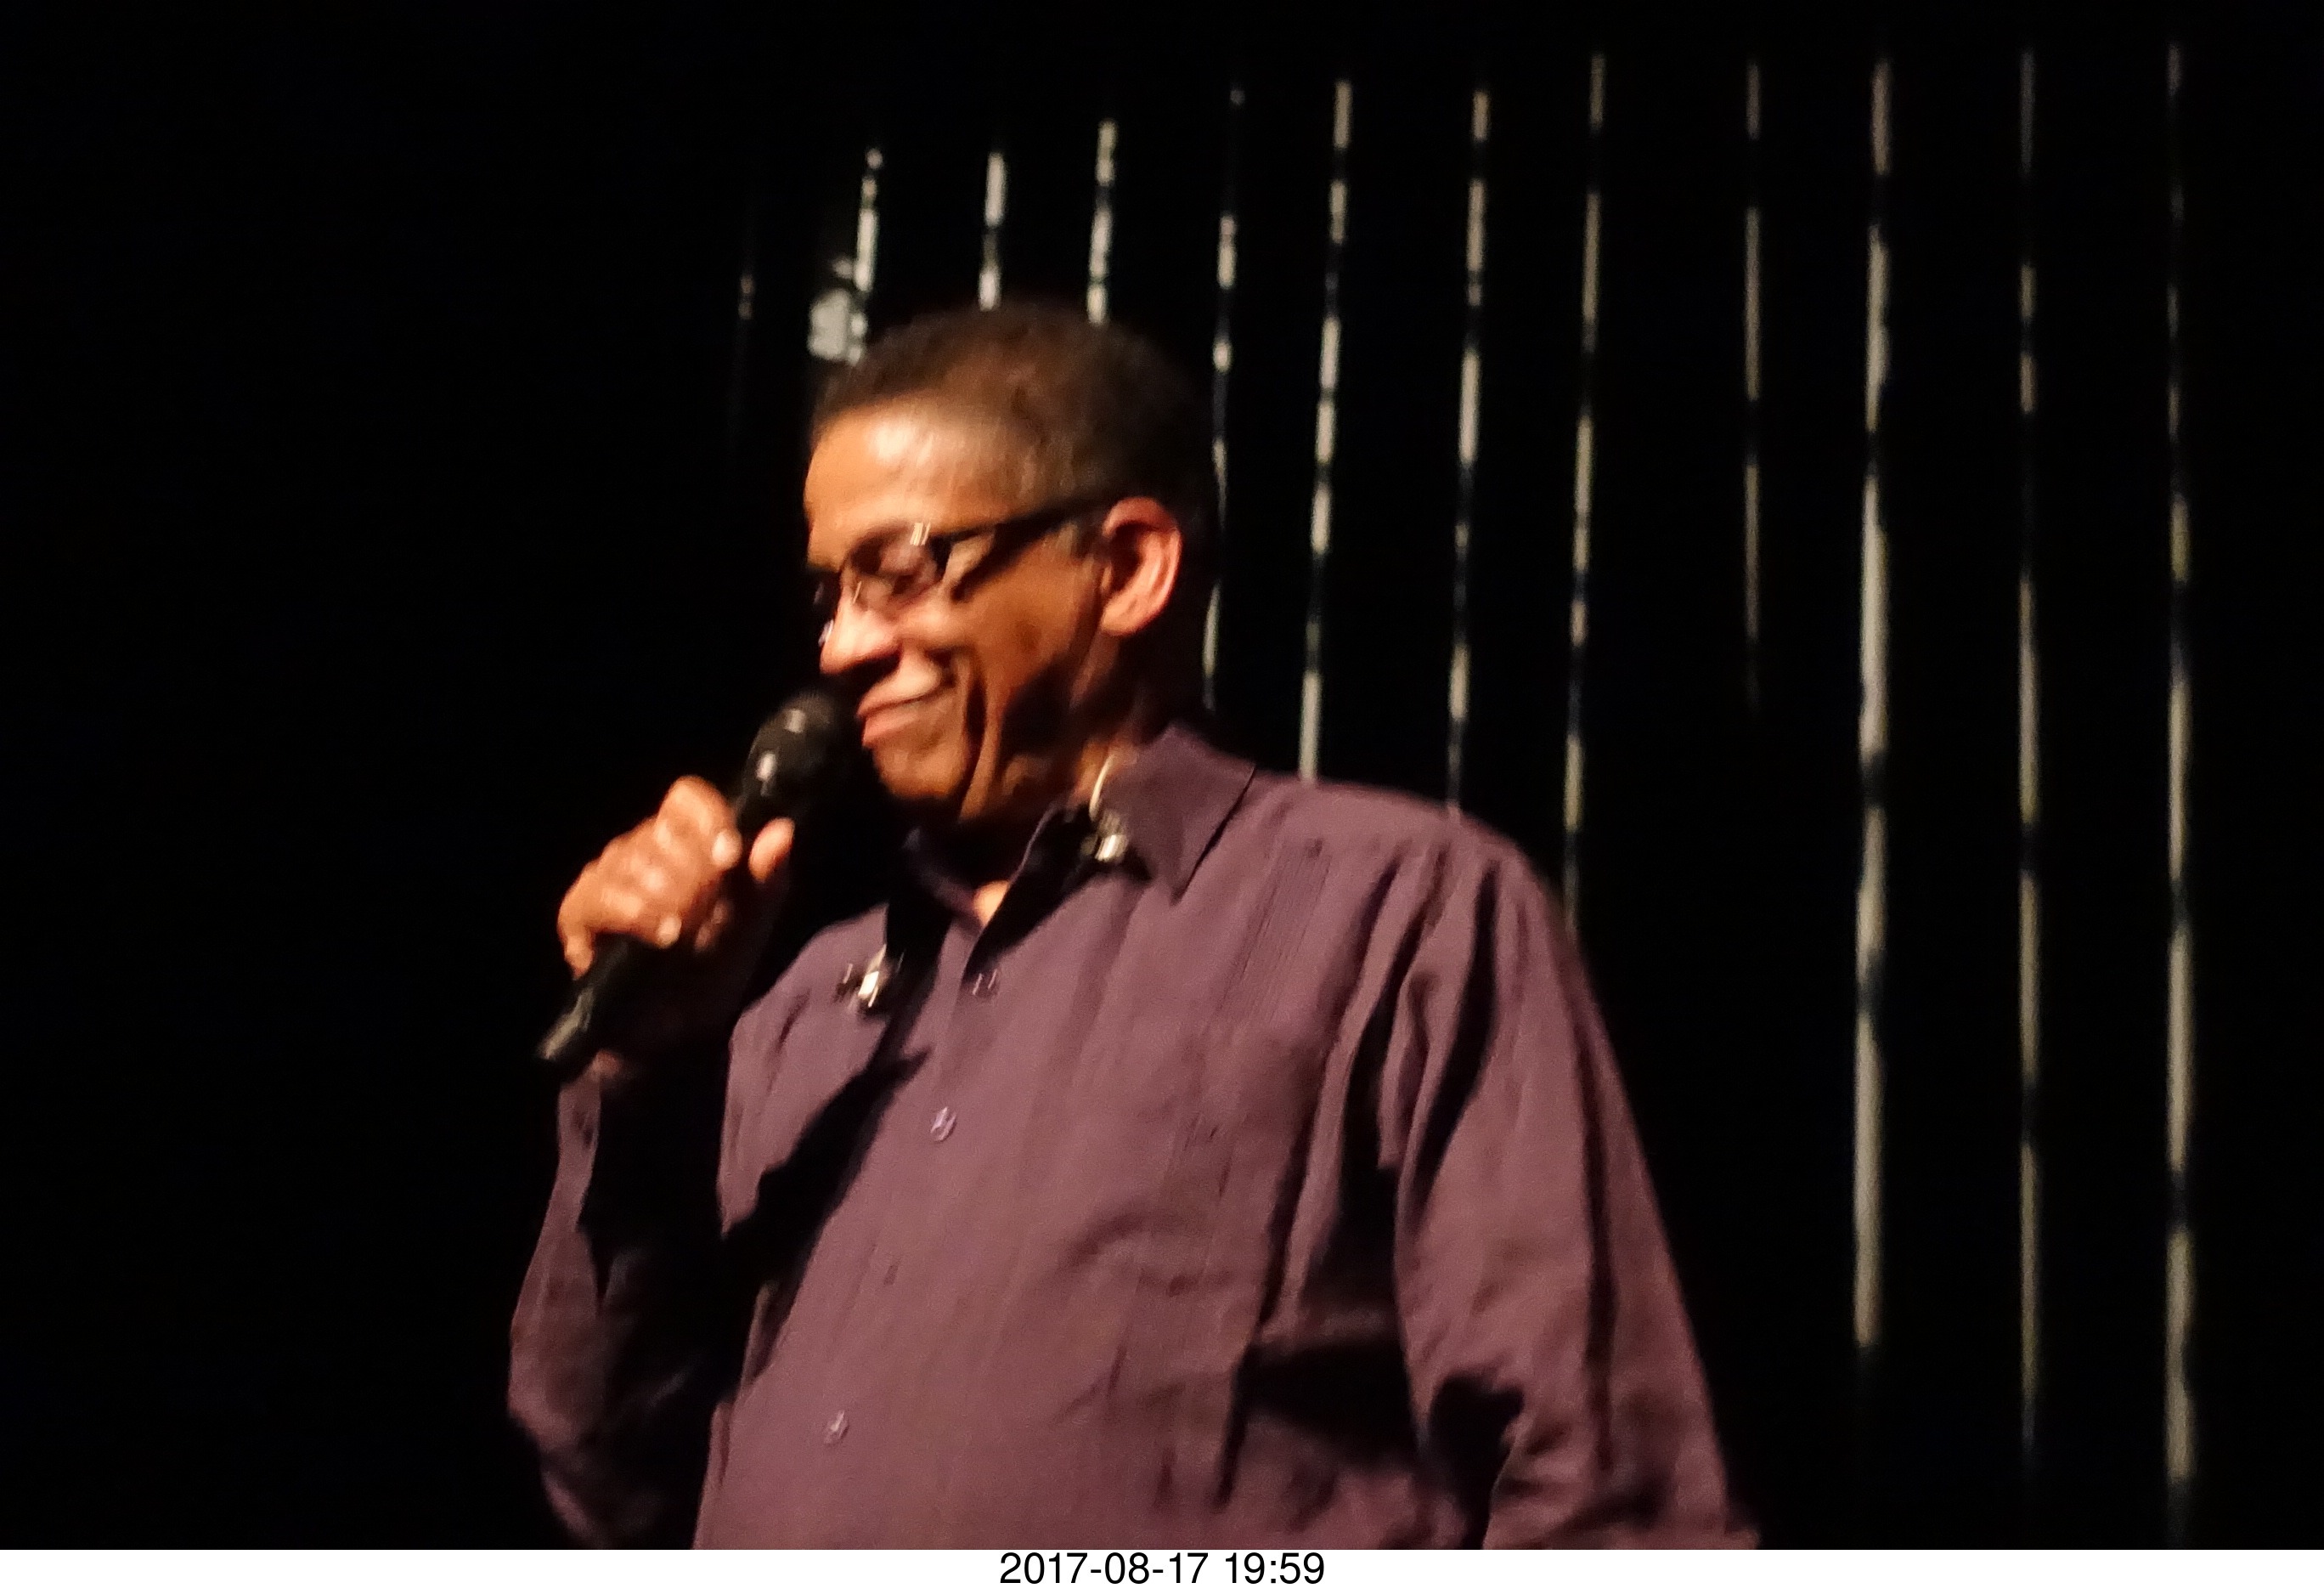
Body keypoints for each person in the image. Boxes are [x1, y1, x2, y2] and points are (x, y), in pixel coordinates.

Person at [510, 302, 1746, 1548]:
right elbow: (614, 1481)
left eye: (899, 571)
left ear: (1129, 569)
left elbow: (1603, 1490)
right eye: (830, 591)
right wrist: (644, 1074)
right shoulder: (803, 1010)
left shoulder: (1399, 914)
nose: (841, 646)